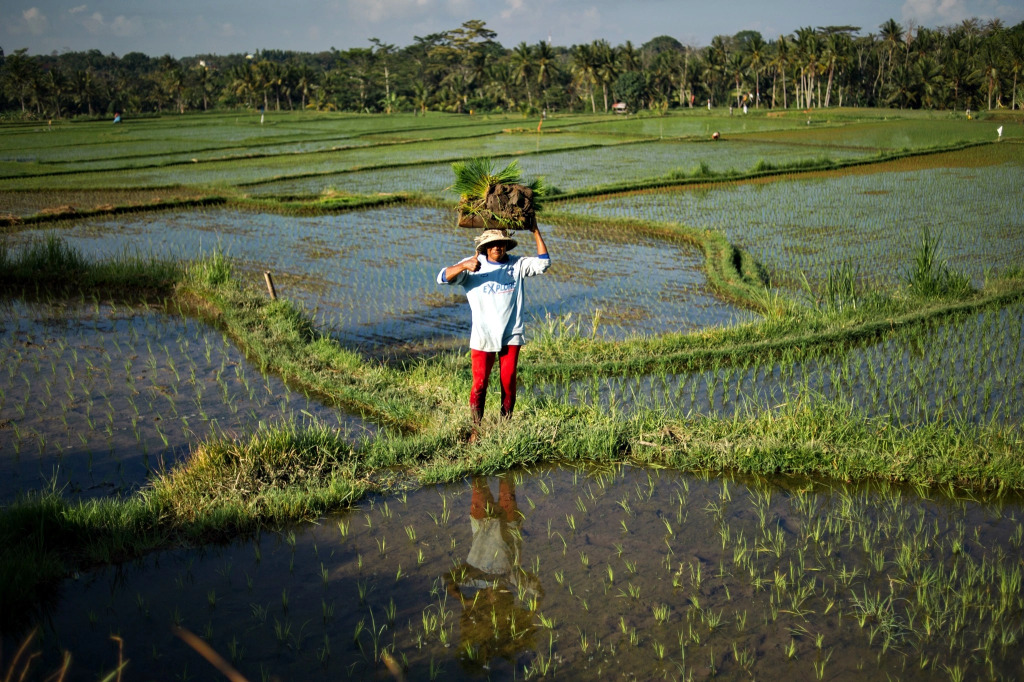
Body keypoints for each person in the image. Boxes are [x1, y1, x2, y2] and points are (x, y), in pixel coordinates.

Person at [437, 226, 550, 425]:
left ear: (506, 245)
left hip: (511, 334)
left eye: (501, 243)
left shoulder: (517, 264)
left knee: (508, 382)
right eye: (492, 244)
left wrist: (535, 230)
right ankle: (476, 427)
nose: (497, 247)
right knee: (480, 383)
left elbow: (544, 263)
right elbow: (442, 278)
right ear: (485, 247)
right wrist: (463, 266)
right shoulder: (473, 265)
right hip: (483, 335)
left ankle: (505, 424)